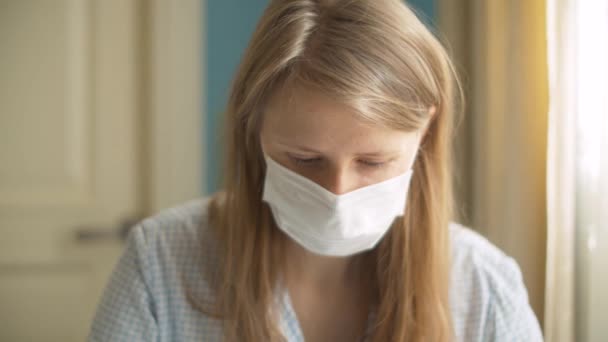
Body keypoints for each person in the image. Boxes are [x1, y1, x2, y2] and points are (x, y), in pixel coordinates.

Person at [88, 0, 543, 341]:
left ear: (426, 127)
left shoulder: (484, 286)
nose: (338, 193)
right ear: (254, 127)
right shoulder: (161, 264)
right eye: (304, 159)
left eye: (373, 161)